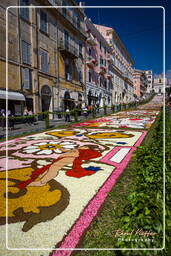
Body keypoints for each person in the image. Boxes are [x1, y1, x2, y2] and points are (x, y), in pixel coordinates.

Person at [17, 145, 102, 188]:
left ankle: (36, 183)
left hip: (62, 162)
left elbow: (74, 152)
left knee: (49, 173)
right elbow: (67, 150)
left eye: (84, 147)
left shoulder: (78, 152)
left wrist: (65, 151)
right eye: (83, 146)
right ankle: (35, 179)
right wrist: (62, 149)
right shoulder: (77, 151)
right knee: (47, 171)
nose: (82, 146)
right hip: (60, 161)